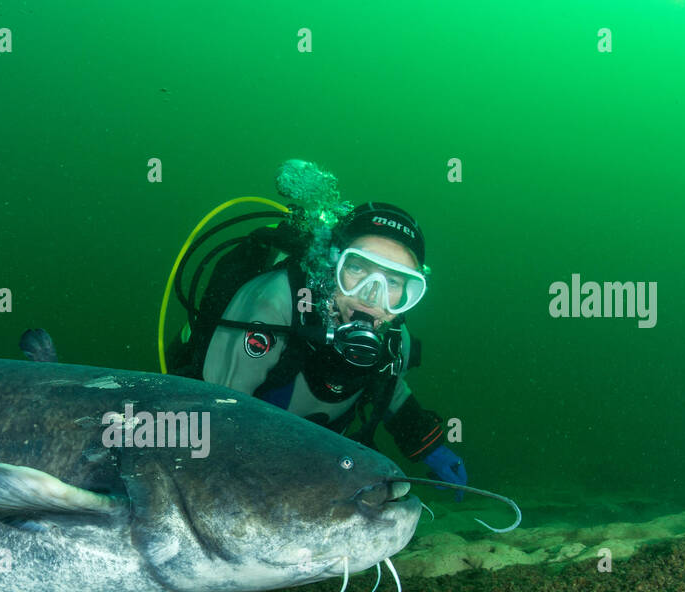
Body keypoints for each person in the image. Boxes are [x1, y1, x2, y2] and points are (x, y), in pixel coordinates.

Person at [172, 198, 468, 498]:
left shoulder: (395, 339)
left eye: (393, 282)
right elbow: (217, 413)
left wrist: (430, 447)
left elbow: (391, 390)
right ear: (331, 264)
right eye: (356, 268)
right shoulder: (273, 305)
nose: (371, 296)